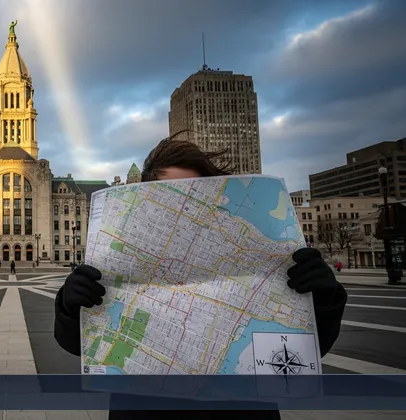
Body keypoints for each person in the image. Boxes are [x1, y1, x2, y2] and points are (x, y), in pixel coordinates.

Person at [54, 135, 348, 420]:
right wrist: (71, 306)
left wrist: (322, 301)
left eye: (196, 191)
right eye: (171, 195)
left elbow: (298, 356)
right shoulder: (117, 254)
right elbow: (81, 348)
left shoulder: (260, 256)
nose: (185, 203)